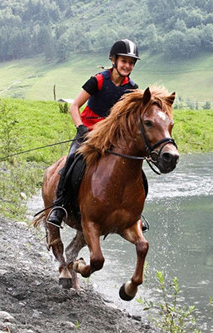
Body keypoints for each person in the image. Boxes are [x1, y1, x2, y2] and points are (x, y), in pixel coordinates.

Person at [47, 39, 140, 228]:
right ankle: (59, 206)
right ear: (114, 60)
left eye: (131, 63)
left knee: (133, 166)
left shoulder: (132, 88)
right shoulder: (98, 80)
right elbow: (74, 106)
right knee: (73, 159)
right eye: (124, 61)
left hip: (113, 137)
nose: (127, 66)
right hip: (88, 132)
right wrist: (80, 127)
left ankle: (135, 211)